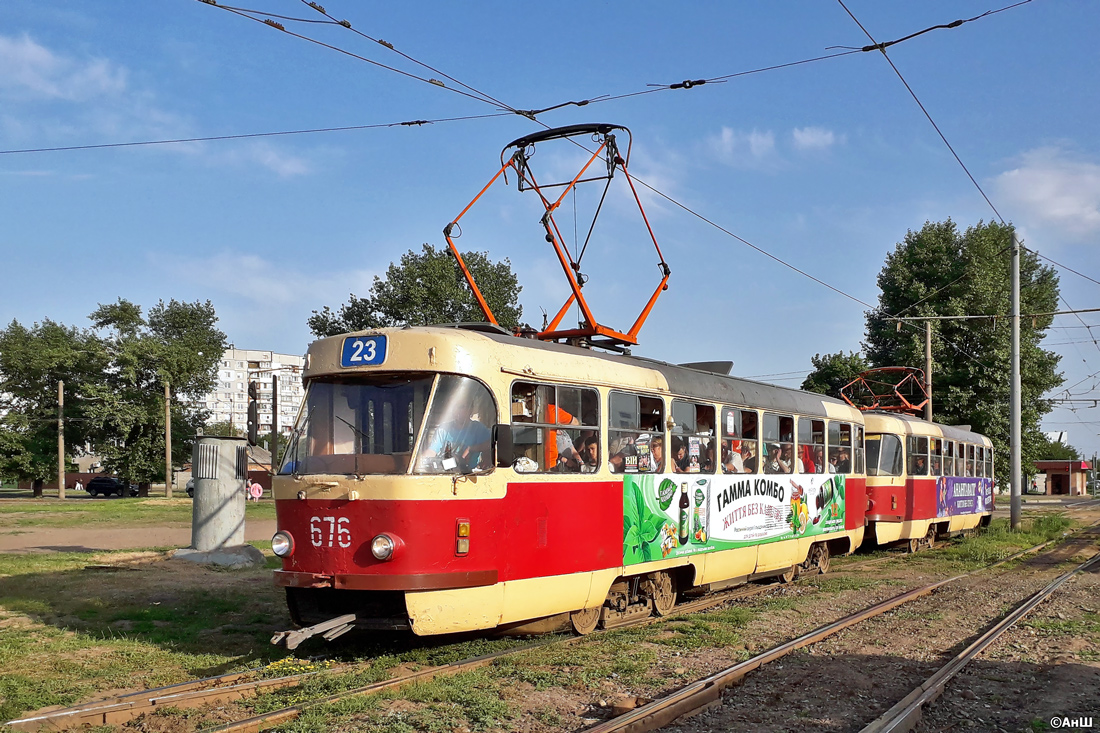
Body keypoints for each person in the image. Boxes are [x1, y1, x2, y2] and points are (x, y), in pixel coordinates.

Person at [424, 395, 491, 472]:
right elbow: (432, 451)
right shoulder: (443, 429)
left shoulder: (478, 429)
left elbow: (491, 446)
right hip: (445, 474)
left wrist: (471, 449)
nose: (458, 410)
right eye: (455, 406)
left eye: (462, 407)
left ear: (470, 410)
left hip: (469, 475)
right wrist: (421, 461)